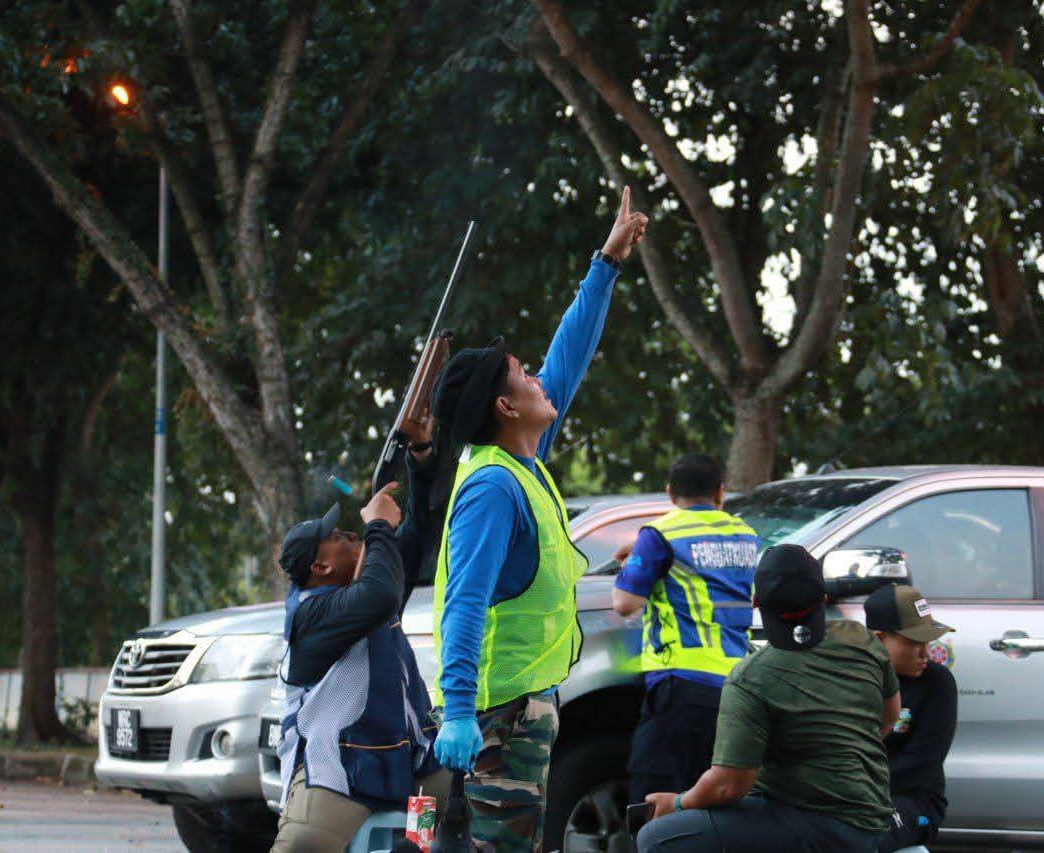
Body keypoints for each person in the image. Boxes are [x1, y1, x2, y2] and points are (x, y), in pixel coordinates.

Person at [427, 187, 648, 852]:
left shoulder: (521, 462)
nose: (539, 380)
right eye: (524, 374)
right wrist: (461, 709)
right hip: (498, 714)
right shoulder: (494, 486)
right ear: (504, 403)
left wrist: (604, 266)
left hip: (521, 708)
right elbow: (465, 601)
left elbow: (569, 360)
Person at [637, 544, 901, 853]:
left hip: (825, 825)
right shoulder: (861, 638)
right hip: (872, 818)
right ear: (824, 598)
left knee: (657, 838)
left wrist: (678, 803)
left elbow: (729, 785)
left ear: (756, 604)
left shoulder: (750, 678)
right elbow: (890, 716)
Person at [271, 440, 449, 853]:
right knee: (303, 843)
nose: (349, 533)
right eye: (335, 536)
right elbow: (380, 595)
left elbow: (421, 530)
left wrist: (420, 459)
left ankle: (420, 844)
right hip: (340, 769)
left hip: (410, 764)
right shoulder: (311, 613)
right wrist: (379, 528)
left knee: (449, 817)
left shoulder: (370, 582)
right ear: (321, 568)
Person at [611, 453, 759, 802]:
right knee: (713, 799)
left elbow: (624, 603)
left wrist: (637, 559)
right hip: (738, 684)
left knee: (656, 793)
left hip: (681, 683)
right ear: (720, 492)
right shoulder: (746, 534)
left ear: (669, 492)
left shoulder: (661, 533)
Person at [864, 584, 958, 852]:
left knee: (862, 835)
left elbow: (921, 764)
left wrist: (852, 786)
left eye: (928, 642)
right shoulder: (853, 678)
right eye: (915, 642)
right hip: (851, 795)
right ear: (880, 638)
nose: (925, 653)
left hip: (914, 804)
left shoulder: (937, 683)